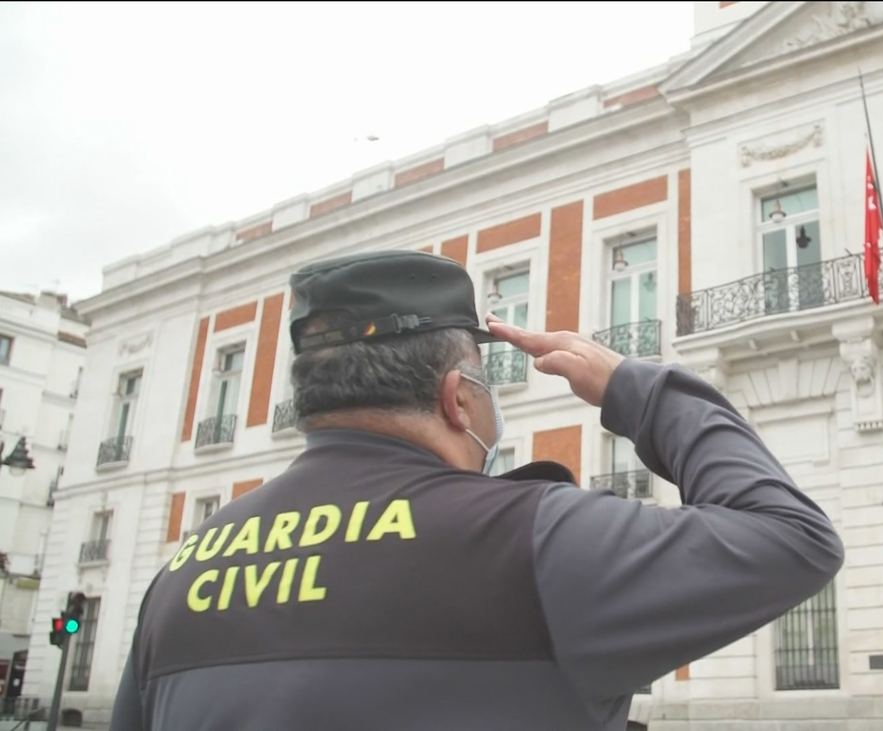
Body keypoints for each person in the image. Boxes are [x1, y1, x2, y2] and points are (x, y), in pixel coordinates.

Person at [109, 250, 844, 731]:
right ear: (457, 398)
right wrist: (635, 385)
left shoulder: (182, 571)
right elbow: (792, 536)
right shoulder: (533, 540)